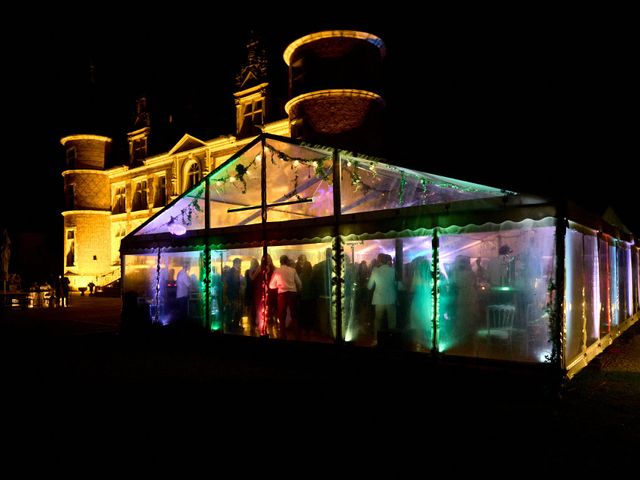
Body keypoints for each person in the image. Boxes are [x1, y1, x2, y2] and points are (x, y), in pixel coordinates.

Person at [269, 255, 302, 339]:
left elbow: (271, 286)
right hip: (292, 294)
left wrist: (278, 285)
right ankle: (297, 335)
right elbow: (299, 283)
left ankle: (283, 335)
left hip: (282, 294)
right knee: (294, 315)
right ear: (287, 261)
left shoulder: (277, 271)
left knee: (282, 315)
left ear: (280, 262)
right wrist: (298, 291)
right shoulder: (293, 270)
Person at [367, 253, 397, 342]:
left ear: (379, 261)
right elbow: (398, 285)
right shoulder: (393, 270)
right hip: (391, 299)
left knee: (378, 321)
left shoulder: (375, 271)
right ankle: (392, 340)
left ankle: (376, 340)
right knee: (392, 322)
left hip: (379, 299)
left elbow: (369, 286)